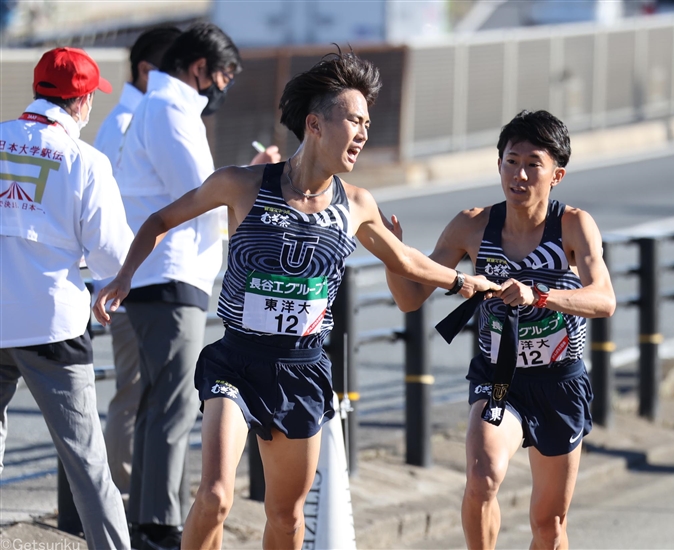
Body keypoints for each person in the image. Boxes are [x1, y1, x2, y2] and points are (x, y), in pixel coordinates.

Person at [94, 49, 499, 550]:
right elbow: (159, 220)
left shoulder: (355, 205)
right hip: (237, 361)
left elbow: (406, 261)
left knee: (285, 519)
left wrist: (464, 284)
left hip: (303, 370)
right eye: (354, 119)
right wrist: (124, 276)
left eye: (368, 123)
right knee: (216, 495)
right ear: (315, 124)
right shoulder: (241, 184)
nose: (364, 132)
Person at [384, 110, 616, 550]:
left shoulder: (572, 225)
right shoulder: (472, 225)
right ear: (498, 165)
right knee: (482, 476)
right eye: (511, 161)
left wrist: (538, 296)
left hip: (559, 383)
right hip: (498, 380)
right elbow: (410, 298)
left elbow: (604, 300)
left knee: (549, 525)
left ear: (557, 174)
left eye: (533, 164)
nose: (520, 174)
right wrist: (394, 255)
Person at [109, 22, 271, 549]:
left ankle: (152, 519)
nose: (223, 86)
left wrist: (241, 175)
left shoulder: (163, 108)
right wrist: (251, 179)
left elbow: (199, 193)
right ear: (199, 69)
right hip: (170, 273)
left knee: (161, 400)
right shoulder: (170, 111)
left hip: (166, 274)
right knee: (173, 404)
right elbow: (199, 198)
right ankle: (156, 525)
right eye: (223, 75)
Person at [0, 47, 133, 549]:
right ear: (80, 103)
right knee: (86, 463)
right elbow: (112, 256)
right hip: (51, 323)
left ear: (37, 90)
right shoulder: (84, 160)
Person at [93, 25, 181, 505]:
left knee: (141, 393)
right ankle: (123, 497)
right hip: (132, 278)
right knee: (132, 393)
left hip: (138, 276)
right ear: (148, 71)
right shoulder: (131, 121)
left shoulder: (137, 117)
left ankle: (132, 497)